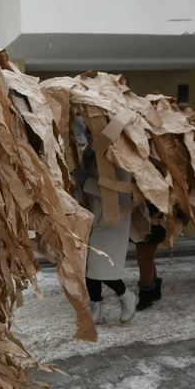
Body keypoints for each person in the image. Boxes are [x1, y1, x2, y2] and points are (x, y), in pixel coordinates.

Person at [75, 139, 137, 324]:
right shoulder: (89, 151)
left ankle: (126, 296)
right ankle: (97, 308)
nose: (88, 133)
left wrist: (86, 181)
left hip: (111, 220)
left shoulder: (119, 154)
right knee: (88, 267)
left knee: (100, 267)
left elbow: (120, 191)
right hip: (91, 217)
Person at [135, 223, 166, 310]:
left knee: (145, 258)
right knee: (147, 257)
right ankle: (154, 291)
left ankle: (146, 295)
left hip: (149, 226)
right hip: (152, 225)